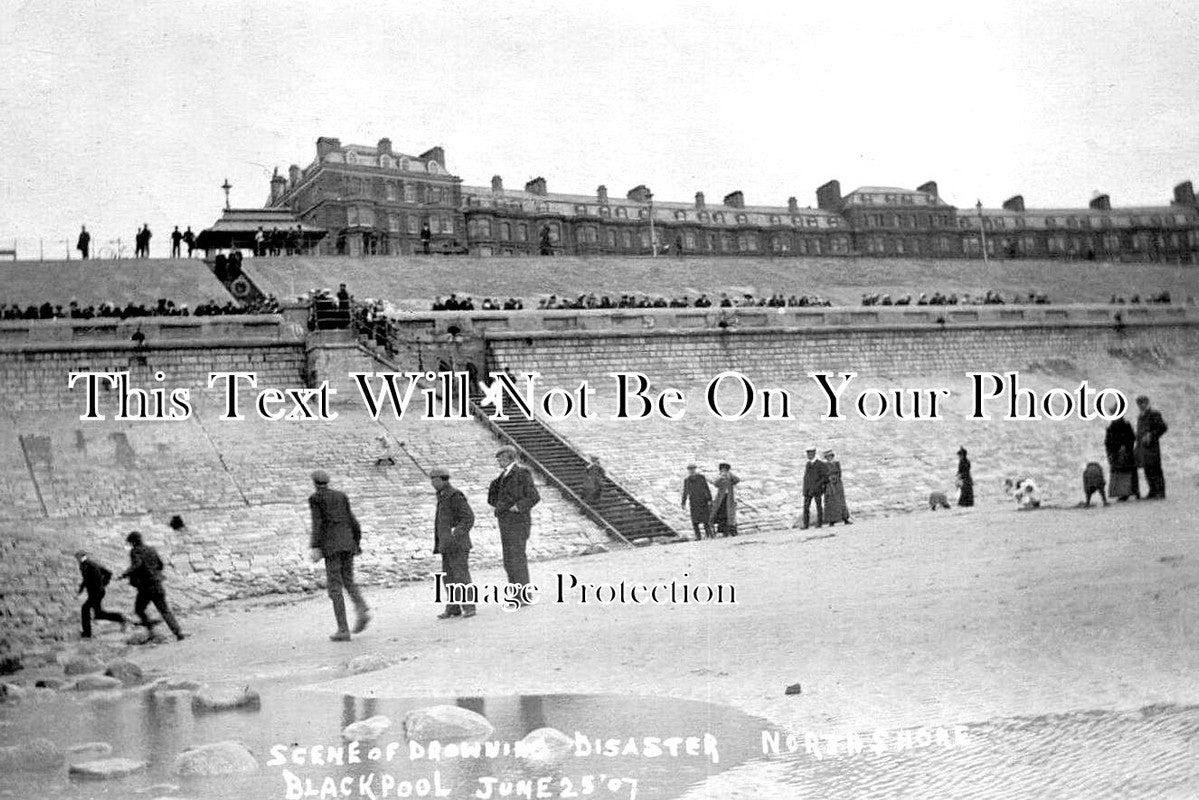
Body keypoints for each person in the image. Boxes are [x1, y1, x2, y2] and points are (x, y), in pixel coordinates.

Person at [308, 470, 370, 640]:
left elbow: (317, 523)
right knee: (349, 581)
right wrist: (356, 543)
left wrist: (315, 546)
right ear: (327, 482)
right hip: (348, 543)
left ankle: (343, 630)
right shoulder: (341, 496)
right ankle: (361, 606)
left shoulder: (315, 499)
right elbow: (353, 521)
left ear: (314, 483)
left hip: (332, 547)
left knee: (335, 588)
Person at [487, 446, 540, 602]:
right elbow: (492, 498)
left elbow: (534, 496)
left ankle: (524, 595)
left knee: (517, 558)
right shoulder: (501, 477)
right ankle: (515, 594)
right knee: (509, 559)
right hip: (505, 522)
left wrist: (519, 506)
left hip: (518, 522)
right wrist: (500, 506)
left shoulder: (522, 473)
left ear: (509, 458)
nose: (498, 461)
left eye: (501, 458)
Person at [119, 531, 185, 641]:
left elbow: (137, 565)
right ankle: (178, 633)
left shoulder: (135, 551)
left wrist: (124, 574)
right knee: (165, 610)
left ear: (133, 542)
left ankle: (151, 630)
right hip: (157, 584)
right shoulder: (151, 549)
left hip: (145, 587)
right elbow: (160, 565)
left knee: (139, 609)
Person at [431, 467, 475, 619]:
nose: (432, 483)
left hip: (458, 544)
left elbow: (468, 518)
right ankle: (453, 608)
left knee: (461, 576)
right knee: (448, 577)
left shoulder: (455, 495)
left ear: (444, 479)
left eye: (435, 480)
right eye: (431, 479)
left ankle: (469, 607)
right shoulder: (442, 495)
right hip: (446, 545)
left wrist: (456, 533)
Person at [76, 549, 126, 638]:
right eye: (77, 558)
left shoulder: (91, 565)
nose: (77, 559)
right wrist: (81, 589)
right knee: (99, 614)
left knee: (85, 609)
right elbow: (87, 579)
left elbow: (108, 574)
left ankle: (87, 633)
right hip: (95, 592)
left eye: (78, 557)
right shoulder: (84, 565)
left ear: (84, 556)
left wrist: (102, 584)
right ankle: (120, 618)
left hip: (97, 592)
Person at [1135, 395, 1168, 499]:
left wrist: (1152, 435)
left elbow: (1163, 427)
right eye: (1139, 403)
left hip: (1152, 447)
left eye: (1143, 403)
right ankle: (1152, 491)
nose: (1141, 405)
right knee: (1147, 469)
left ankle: (1160, 492)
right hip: (1143, 448)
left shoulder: (1154, 414)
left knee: (1156, 469)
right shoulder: (1140, 416)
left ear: (1147, 402)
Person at [1104, 406, 1139, 501]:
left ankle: (1132, 492)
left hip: (1126, 454)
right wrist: (1111, 452)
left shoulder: (1125, 426)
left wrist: (1125, 446)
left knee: (1128, 473)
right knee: (1120, 474)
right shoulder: (1111, 428)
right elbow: (1107, 442)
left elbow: (1132, 438)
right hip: (1116, 455)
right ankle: (1123, 493)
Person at [680, 463, 713, 540]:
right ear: (688, 471)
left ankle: (709, 534)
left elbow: (706, 489)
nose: (692, 471)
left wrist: (709, 499)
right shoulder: (687, 480)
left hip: (703, 501)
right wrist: (683, 503)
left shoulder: (701, 477)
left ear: (695, 469)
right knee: (695, 521)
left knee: (706, 520)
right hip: (694, 502)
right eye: (690, 469)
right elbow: (685, 492)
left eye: (693, 469)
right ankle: (698, 536)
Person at [798, 448, 828, 529]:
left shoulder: (820, 464)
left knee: (818, 506)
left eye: (810, 454)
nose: (809, 456)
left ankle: (819, 523)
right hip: (808, 490)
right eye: (808, 454)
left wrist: (818, 486)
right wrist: (805, 489)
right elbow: (806, 478)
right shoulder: (808, 464)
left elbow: (824, 477)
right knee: (806, 507)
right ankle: (806, 524)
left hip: (817, 489)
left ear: (814, 454)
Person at [822, 450, 852, 526]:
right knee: (831, 502)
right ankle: (831, 521)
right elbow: (823, 475)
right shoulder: (824, 465)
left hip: (838, 484)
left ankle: (845, 518)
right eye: (827, 457)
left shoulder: (837, 463)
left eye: (830, 456)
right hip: (829, 485)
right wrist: (829, 479)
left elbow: (839, 473)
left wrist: (836, 478)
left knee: (841, 501)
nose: (829, 458)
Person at [710, 462, 739, 537]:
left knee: (731, 516)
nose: (724, 472)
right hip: (721, 500)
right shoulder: (720, 479)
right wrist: (720, 478)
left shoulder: (731, 478)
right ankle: (724, 532)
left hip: (729, 499)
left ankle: (732, 531)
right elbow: (716, 484)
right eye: (722, 470)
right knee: (722, 515)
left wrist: (731, 474)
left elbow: (737, 480)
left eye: (725, 470)